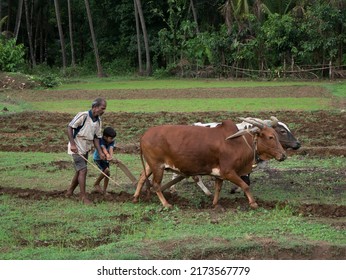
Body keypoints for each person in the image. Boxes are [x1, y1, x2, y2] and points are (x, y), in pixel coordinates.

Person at [65, 97, 107, 204]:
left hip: (86, 147)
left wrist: (101, 152)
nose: (103, 111)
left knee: (80, 170)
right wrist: (73, 145)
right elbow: (70, 127)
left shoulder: (98, 121)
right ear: (95, 107)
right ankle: (83, 197)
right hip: (76, 146)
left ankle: (69, 192)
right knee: (83, 170)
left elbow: (96, 137)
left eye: (104, 109)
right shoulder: (83, 115)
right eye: (102, 108)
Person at [93, 126, 117, 194]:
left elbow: (111, 149)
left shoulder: (111, 141)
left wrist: (111, 156)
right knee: (106, 170)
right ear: (105, 137)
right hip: (98, 159)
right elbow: (103, 148)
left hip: (105, 159)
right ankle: (96, 183)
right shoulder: (101, 140)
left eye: (113, 138)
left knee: (108, 174)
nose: (112, 140)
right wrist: (107, 155)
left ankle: (104, 190)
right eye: (111, 138)